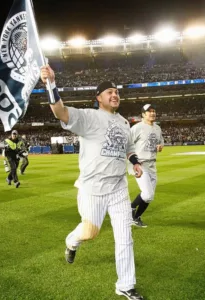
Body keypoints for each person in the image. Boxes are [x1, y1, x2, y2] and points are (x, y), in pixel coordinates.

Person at [40, 65, 144, 300]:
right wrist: (51, 84)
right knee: (89, 232)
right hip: (93, 188)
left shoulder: (125, 123)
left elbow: (128, 148)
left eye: (116, 91)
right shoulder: (88, 116)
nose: (115, 94)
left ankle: (125, 285)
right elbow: (60, 112)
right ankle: (71, 241)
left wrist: (135, 162)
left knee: (125, 237)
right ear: (98, 98)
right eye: (109, 92)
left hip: (119, 186)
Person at [129, 104, 164, 228]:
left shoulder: (157, 128)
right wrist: (132, 162)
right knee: (148, 194)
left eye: (154, 111)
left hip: (152, 164)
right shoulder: (137, 128)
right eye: (149, 112)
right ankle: (130, 208)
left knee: (149, 197)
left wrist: (160, 147)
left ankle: (136, 217)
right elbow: (128, 144)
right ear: (143, 114)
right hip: (140, 164)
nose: (153, 113)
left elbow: (160, 143)